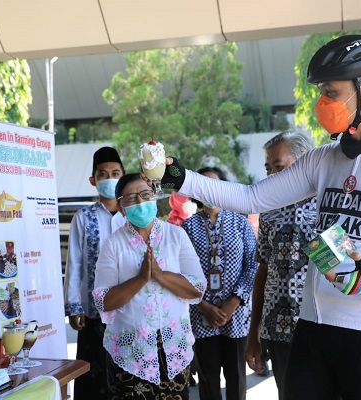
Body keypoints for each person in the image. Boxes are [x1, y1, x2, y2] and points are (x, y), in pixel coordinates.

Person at [157, 25, 361, 400]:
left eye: (330, 93)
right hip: (312, 328)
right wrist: (177, 177)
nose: (322, 102)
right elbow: (253, 198)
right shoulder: (324, 158)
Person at [92, 173, 207, 399]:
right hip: (130, 356)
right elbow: (103, 300)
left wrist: (161, 275)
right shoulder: (113, 244)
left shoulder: (176, 236)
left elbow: (197, 288)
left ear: (155, 197)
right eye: (132, 199)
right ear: (122, 207)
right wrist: (140, 279)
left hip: (174, 350)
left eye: (145, 195)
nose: (141, 202)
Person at [244, 130, 317, 399]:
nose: (272, 175)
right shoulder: (269, 210)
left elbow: (341, 263)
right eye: (268, 168)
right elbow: (263, 270)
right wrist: (254, 333)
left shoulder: (329, 204)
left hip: (321, 326)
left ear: (305, 162)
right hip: (278, 330)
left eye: (279, 166)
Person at [181, 167, 258, 400]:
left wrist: (235, 301)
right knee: (208, 380)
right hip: (201, 314)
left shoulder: (240, 223)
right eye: (203, 185)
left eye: (214, 184)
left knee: (236, 378)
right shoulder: (187, 228)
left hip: (236, 313)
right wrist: (202, 305)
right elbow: (181, 272)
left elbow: (253, 264)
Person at [63, 146, 126, 399]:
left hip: (130, 313)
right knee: (93, 378)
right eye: (102, 174)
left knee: (126, 378)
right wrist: (74, 305)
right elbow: (75, 263)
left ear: (123, 176)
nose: (109, 178)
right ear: (93, 180)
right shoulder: (84, 217)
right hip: (94, 312)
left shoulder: (133, 215)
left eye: (115, 172)